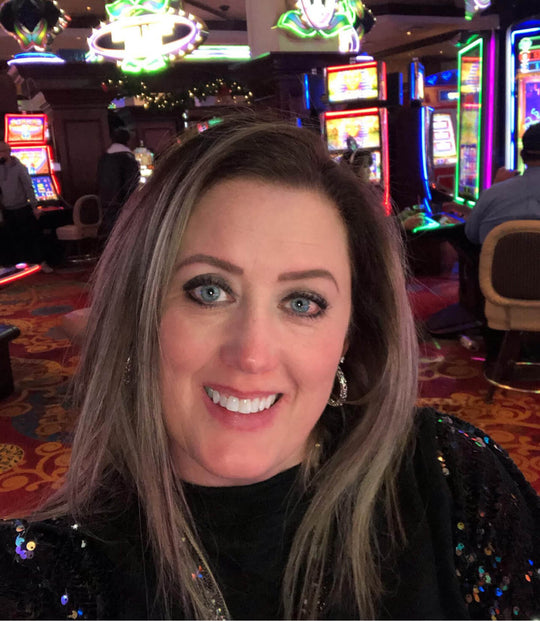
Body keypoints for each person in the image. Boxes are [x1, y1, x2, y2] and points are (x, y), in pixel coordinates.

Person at [0, 118, 538, 620]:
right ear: (136, 312)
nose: (252, 355)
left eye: (303, 303)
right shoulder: (44, 572)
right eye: (209, 292)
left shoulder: (452, 479)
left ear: (350, 335)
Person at [465, 122, 540, 245]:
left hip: (501, 259)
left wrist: (496, 188)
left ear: (522, 156)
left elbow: (472, 235)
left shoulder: (492, 194)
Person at [0, 140, 52, 271]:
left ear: (8, 152)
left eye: (2, 151)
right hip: (7, 209)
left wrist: (34, 207)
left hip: (22, 208)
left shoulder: (19, 167)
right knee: (12, 239)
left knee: (31, 238)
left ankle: (41, 263)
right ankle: (18, 266)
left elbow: (28, 187)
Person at [97, 126, 140, 239]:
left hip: (106, 204)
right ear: (128, 140)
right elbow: (132, 184)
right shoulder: (128, 158)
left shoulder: (104, 158)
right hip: (123, 205)